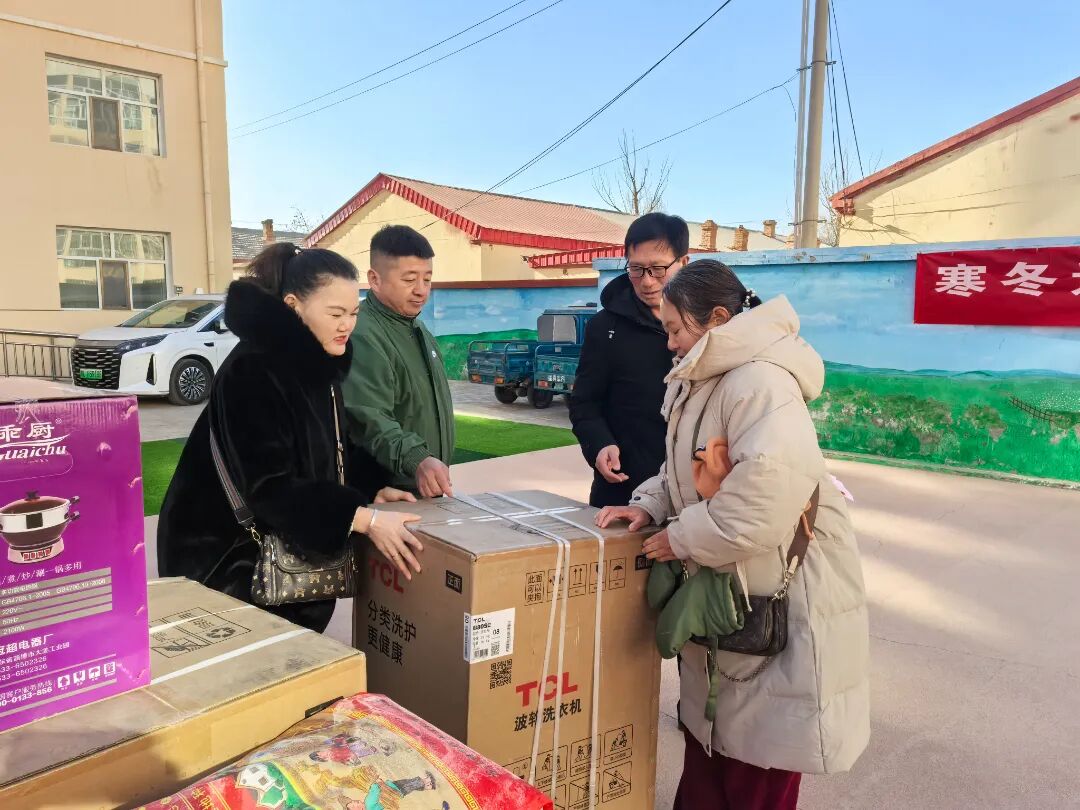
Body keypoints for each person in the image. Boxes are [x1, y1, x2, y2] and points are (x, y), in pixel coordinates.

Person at [597, 260, 870, 809]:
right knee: (715, 743)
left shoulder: (759, 382)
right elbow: (687, 468)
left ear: (718, 319)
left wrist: (681, 538)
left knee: (758, 759)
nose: (670, 343)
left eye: (676, 329)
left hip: (777, 591)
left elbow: (762, 496)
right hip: (735, 585)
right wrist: (648, 505)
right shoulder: (710, 379)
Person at [157, 243, 423, 633]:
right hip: (224, 561)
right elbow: (268, 487)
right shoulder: (253, 369)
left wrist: (372, 487)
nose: (347, 325)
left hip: (276, 564)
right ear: (294, 305)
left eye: (353, 313)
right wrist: (363, 519)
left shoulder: (317, 363)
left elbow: (327, 447)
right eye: (335, 313)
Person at [569, 212, 690, 507]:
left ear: (683, 263)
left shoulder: (706, 325)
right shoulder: (605, 328)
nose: (647, 281)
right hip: (623, 491)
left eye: (658, 269)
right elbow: (584, 404)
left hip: (690, 495)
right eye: (636, 269)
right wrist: (600, 445)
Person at [343, 225, 455, 498]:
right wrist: (416, 459)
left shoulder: (417, 328)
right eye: (409, 280)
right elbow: (368, 418)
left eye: (427, 279)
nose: (421, 291)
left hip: (425, 485)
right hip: (389, 494)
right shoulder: (363, 334)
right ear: (375, 279)